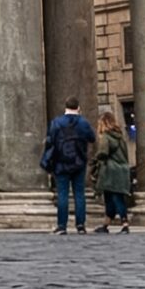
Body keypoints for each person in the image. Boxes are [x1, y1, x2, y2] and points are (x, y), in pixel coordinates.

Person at [42, 99, 96, 236]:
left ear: (65, 107)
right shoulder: (83, 122)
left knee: (63, 194)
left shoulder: (57, 122)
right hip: (79, 161)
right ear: (78, 107)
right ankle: (80, 225)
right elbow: (92, 138)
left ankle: (61, 226)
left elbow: (50, 141)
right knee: (79, 194)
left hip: (61, 162)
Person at [92, 110, 132, 234]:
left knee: (115, 198)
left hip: (110, 171)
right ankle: (106, 225)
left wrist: (95, 159)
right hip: (122, 170)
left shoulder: (106, 136)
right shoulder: (121, 137)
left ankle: (125, 224)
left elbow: (103, 152)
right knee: (112, 198)